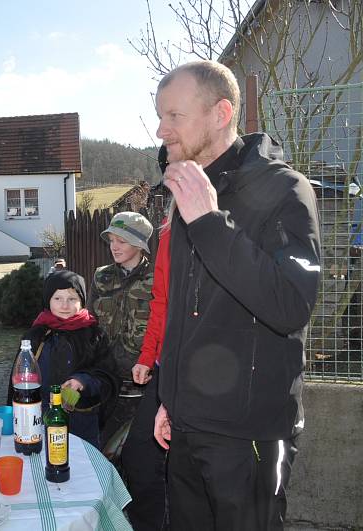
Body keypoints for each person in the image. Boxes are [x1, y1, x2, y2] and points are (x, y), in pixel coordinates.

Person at [152, 60, 321, 530]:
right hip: (187, 427)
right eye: (159, 115)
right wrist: (172, 398)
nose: (161, 129)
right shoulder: (192, 191)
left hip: (249, 434)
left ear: (221, 112)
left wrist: (209, 222)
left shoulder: (286, 191)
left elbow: (290, 306)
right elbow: (190, 313)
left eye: (174, 115)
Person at [8, 270, 119, 449]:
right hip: (39, 419)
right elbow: (19, 381)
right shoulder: (36, 336)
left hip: (82, 423)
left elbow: (108, 376)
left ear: (82, 301)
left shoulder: (94, 336)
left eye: (72, 299)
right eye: (57, 298)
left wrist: (82, 381)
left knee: (81, 468)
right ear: (47, 300)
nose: (65, 305)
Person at [121, 191, 171, 531]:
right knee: (139, 456)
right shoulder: (169, 233)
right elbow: (161, 304)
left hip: (214, 375)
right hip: (166, 369)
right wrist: (148, 358)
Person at [86, 211, 154, 451]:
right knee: (103, 449)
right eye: (112, 240)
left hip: (143, 387)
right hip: (106, 382)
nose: (114, 246)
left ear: (139, 244)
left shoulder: (158, 280)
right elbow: (89, 325)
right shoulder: (101, 277)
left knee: (141, 456)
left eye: (121, 241)